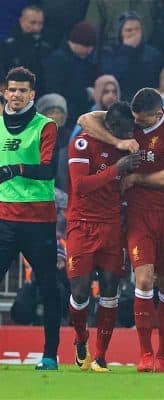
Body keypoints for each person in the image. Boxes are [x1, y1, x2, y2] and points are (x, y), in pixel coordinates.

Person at [78, 88, 164, 373]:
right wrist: (117, 141)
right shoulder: (129, 119)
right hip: (139, 214)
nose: (135, 127)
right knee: (144, 279)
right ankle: (146, 354)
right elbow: (85, 119)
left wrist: (136, 176)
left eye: (140, 123)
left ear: (157, 113)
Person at [67, 101, 141, 372]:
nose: (128, 135)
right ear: (110, 126)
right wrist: (116, 170)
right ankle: (80, 338)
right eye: (123, 130)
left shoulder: (130, 146)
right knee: (80, 290)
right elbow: (80, 186)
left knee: (111, 290)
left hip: (111, 227)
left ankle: (100, 356)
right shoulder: (82, 144)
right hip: (82, 225)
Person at [0, 67, 61, 370]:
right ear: (4, 91)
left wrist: (14, 170)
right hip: (5, 219)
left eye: (23, 90)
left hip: (39, 220)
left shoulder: (45, 126)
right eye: (12, 89)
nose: (17, 95)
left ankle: (50, 354)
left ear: (32, 94)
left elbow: (48, 169)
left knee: (48, 288)